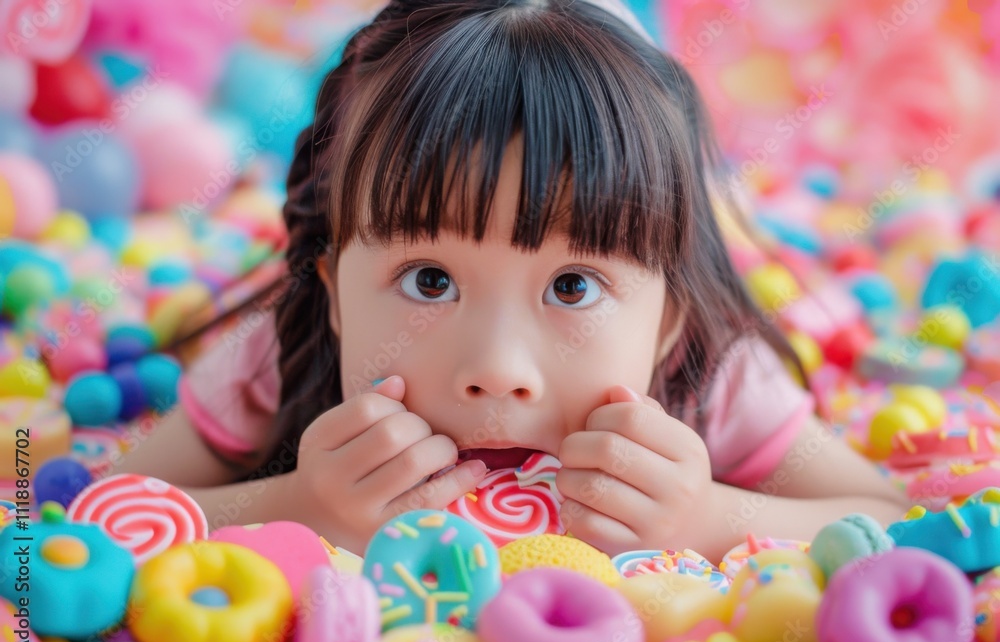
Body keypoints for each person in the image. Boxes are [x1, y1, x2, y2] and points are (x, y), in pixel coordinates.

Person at [118, 0, 908, 560]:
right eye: (429, 279)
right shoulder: (279, 359)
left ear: (667, 320)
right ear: (330, 292)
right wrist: (293, 507)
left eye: (572, 288)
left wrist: (705, 517)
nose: (497, 367)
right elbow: (85, 517)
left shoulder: (711, 378)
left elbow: (884, 514)